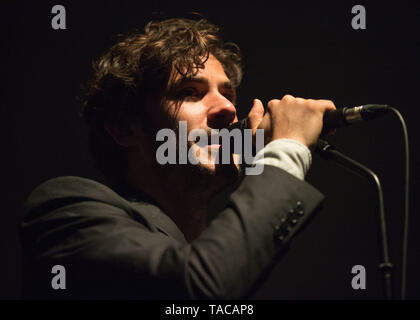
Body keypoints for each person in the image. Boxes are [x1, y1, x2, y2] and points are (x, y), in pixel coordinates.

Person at [20, 18, 335, 299]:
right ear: (125, 127)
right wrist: (287, 148)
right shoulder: (64, 209)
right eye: (189, 92)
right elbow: (196, 288)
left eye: (228, 94)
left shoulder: (222, 248)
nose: (227, 108)